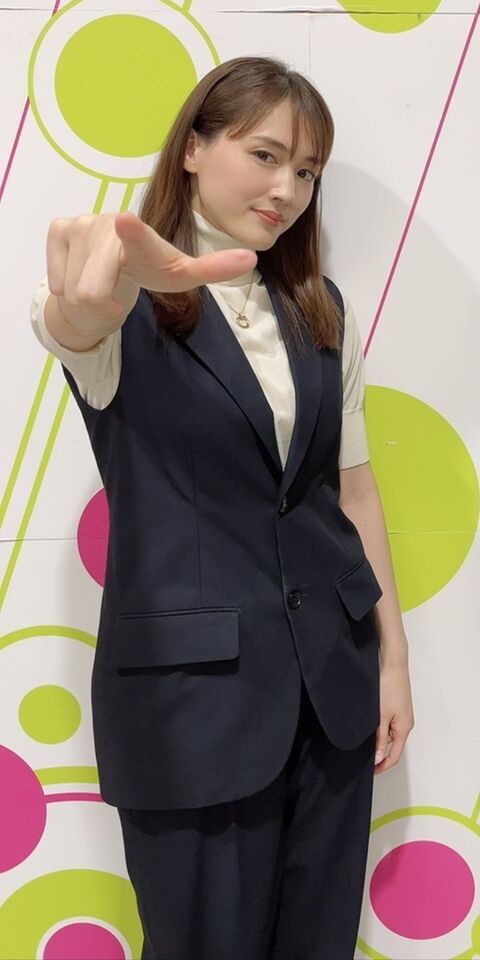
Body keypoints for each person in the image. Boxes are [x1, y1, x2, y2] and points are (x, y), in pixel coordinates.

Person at [30, 55, 414, 960]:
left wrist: (393, 661)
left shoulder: (320, 309)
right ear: (194, 148)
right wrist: (88, 297)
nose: (287, 190)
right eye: (266, 155)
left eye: (308, 171)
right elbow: (71, 322)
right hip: (191, 710)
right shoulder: (121, 299)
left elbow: (353, 490)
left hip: (332, 690)